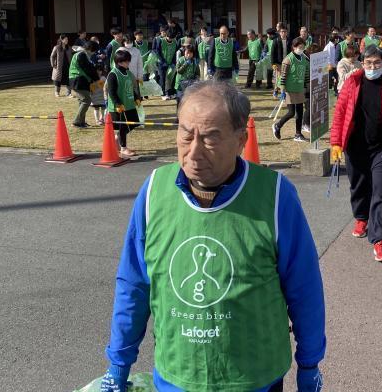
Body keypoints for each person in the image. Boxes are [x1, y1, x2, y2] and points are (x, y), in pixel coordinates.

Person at [99, 80, 326, 392]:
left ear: (241, 139)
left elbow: (305, 287)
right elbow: (133, 283)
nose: (193, 152)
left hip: (254, 378)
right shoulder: (154, 191)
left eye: (210, 138)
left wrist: (309, 363)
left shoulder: (275, 196)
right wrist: (118, 364)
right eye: (185, 134)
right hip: (177, 374)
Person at [330, 46, 382, 263]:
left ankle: (380, 239)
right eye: (368, 63)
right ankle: (361, 217)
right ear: (362, 63)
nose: (372, 67)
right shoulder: (352, 82)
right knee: (358, 185)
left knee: (381, 191)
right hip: (355, 146)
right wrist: (336, 143)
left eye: (377, 63)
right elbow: (340, 114)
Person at [105, 49, 142, 158]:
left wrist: (136, 98)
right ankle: (123, 148)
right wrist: (118, 104)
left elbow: (131, 87)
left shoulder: (128, 73)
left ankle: (117, 139)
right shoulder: (113, 74)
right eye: (127, 61)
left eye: (129, 60)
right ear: (120, 62)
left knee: (134, 123)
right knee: (123, 127)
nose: (128, 63)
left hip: (129, 104)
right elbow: (111, 92)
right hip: (119, 107)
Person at [273, 38, 311, 142]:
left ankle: (298, 134)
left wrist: (307, 89)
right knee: (291, 112)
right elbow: (283, 76)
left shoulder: (304, 59)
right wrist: (282, 90)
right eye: (299, 47)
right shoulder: (288, 59)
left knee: (300, 112)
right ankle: (277, 126)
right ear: (294, 47)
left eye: (303, 47)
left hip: (300, 89)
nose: (301, 49)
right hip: (289, 90)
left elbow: (306, 75)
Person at [68, 40, 100, 128]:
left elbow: (89, 68)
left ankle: (81, 122)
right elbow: (87, 69)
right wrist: (96, 79)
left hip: (79, 79)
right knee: (86, 100)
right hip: (78, 79)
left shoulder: (82, 54)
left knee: (82, 101)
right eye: (94, 51)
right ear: (90, 49)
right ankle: (76, 121)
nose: (94, 53)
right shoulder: (82, 55)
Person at [174, 43, 199, 109]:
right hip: (180, 84)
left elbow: (197, 72)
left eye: (190, 53)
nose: (188, 54)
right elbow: (179, 71)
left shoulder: (195, 61)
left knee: (189, 101)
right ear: (184, 52)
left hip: (190, 84)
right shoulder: (180, 60)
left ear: (193, 54)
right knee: (180, 100)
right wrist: (186, 63)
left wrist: (196, 79)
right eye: (187, 52)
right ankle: (179, 114)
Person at [156, 27, 179, 100]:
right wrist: (162, 61)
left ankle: (170, 93)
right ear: (166, 35)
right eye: (169, 37)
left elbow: (175, 52)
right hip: (162, 64)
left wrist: (173, 62)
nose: (170, 39)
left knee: (171, 78)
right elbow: (157, 52)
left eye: (172, 38)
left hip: (171, 63)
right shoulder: (161, 41)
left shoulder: (175, 42)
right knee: (162, 78)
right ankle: (163, 94)